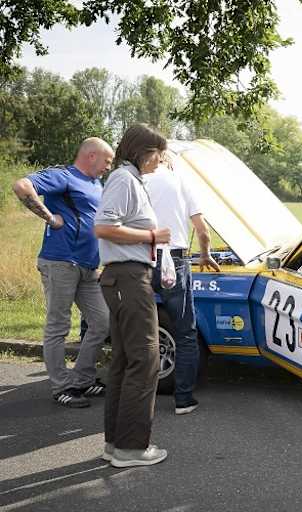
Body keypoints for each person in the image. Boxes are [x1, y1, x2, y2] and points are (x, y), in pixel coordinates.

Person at [12, 138, 114, 408]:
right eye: (107, 161)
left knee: (102, 321)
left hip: (88, 266)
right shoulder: (63, 176)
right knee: (58, 325)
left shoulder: (96, 183)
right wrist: (49, 217)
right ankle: (62, 387)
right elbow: (22, 186)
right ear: (91, 156)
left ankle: (82, 379)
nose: (108, 166)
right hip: (60, 262)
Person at [93, 123, 171, 468]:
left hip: (124, 277)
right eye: (157, 153)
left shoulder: (129, 179)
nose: (160, 160)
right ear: (142, 151)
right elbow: (104, 226)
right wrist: (152, 236)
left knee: (126, 361)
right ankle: (131, 448)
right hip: (128, 277)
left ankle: (116, 444)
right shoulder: (124, 179)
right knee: (146, 359)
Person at [144, 159, 220, 415]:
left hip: (142, 257)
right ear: (170, 163)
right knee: (185, 331)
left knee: (140, 331)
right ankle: (183, 399)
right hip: (174, 260)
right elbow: (202, 231)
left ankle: (140, 397)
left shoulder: (137, 179)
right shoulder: (180, 182)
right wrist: (205, 255)